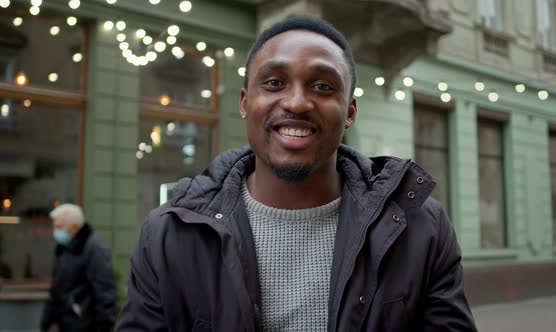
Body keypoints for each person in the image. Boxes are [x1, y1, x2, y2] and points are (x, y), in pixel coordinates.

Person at [117, 16, 477, 331]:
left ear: (349, 111)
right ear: (245, 103)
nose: (297, 103)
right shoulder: (168, 236)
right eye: (274, 83)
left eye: (322, 86)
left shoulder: (420, 229)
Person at [41, 203, 116, 332]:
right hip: (65, 324)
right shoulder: (63, 249)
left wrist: (103, 327)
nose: (56, 232)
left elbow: (105, 293)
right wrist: (45, 323)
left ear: (75, 227)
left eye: (59, 227)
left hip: (85, 326)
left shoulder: (94, 249)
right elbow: (56, 290)